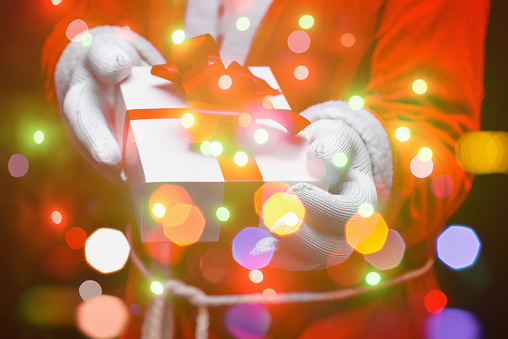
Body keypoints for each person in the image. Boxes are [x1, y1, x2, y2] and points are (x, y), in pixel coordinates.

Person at [42, 0, 489, 337]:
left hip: (340, 320)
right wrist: (80, 49)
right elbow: (85, 13)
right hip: (161, 302)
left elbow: (435, 123)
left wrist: (373, 155)